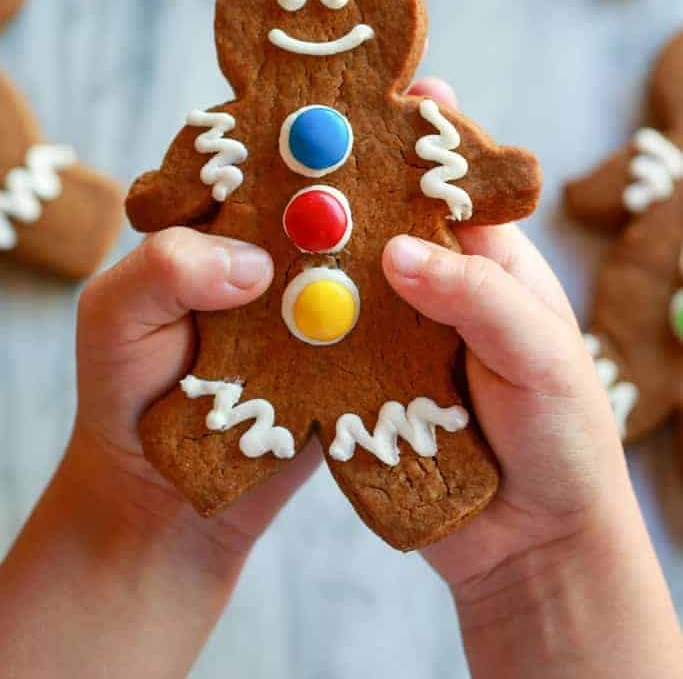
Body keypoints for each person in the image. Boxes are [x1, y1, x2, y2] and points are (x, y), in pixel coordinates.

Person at [0, 79, 681, 678]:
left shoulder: (413, 138)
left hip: (398, 369)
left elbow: (500, 178)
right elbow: (160, 195)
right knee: (222, 422)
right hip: (250, 364)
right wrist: (141, 503)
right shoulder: (238, 135)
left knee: (410, 424)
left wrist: (549, 547)